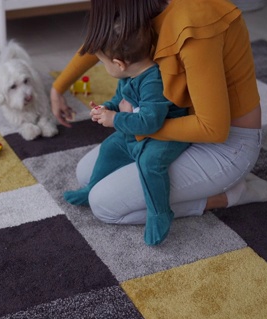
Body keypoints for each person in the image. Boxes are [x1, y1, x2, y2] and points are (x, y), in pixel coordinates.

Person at [51, 0, 267, 229]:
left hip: (226, 145)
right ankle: (206, 185)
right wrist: (58, 87)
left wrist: (131, 123)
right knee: (86, 174)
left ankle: (230, 195)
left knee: (103, 204)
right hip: (179, 129)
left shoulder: (194, 22)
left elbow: (213, 128)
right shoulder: (146, 9)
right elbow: (104, 44)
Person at [63, 19, 188, 245]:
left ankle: (159, 212)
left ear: (119, 63)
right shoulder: (128, 75)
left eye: (103, 63)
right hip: (138, 128)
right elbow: (121, 100)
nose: (104, 68)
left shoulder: (153, 80)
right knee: (111, 147)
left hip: (166, 133)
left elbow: (151, 122)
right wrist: (107, 109)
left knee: (149, 163)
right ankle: (92, 187)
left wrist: (116, 118)